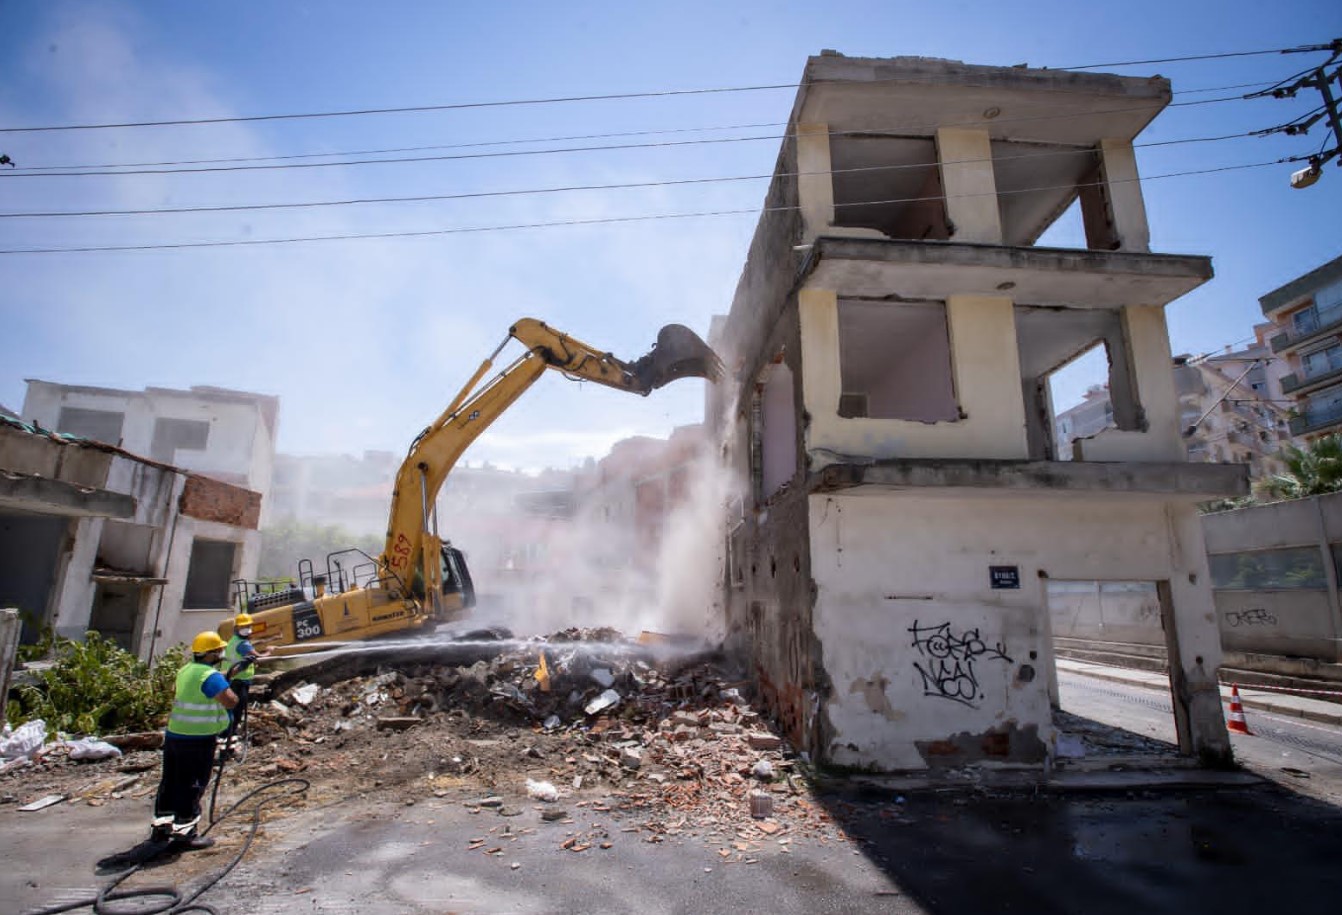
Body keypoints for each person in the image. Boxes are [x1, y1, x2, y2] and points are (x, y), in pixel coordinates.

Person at [150, 631, 237, 850]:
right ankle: (186, 833)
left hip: (175, 737)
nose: (221, 653)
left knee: (170, 782)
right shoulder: (210, 676)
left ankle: (161, 828)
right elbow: (229, 701)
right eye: (218, 650)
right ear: (210, 654)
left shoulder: (185, 670)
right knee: (192, 784)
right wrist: (230, 685)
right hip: (198, 740)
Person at [221, 613, 265, 729]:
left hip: (233, 679)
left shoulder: (234, 640)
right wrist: (270, 651)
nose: (247, 629)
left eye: (249, 626)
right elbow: (260, 658)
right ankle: (229, 733)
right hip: (238, 681)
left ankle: (229, 732)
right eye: (244, 626)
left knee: (233, 709)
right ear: (236, 628)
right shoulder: (242, 644)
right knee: (236, 709)